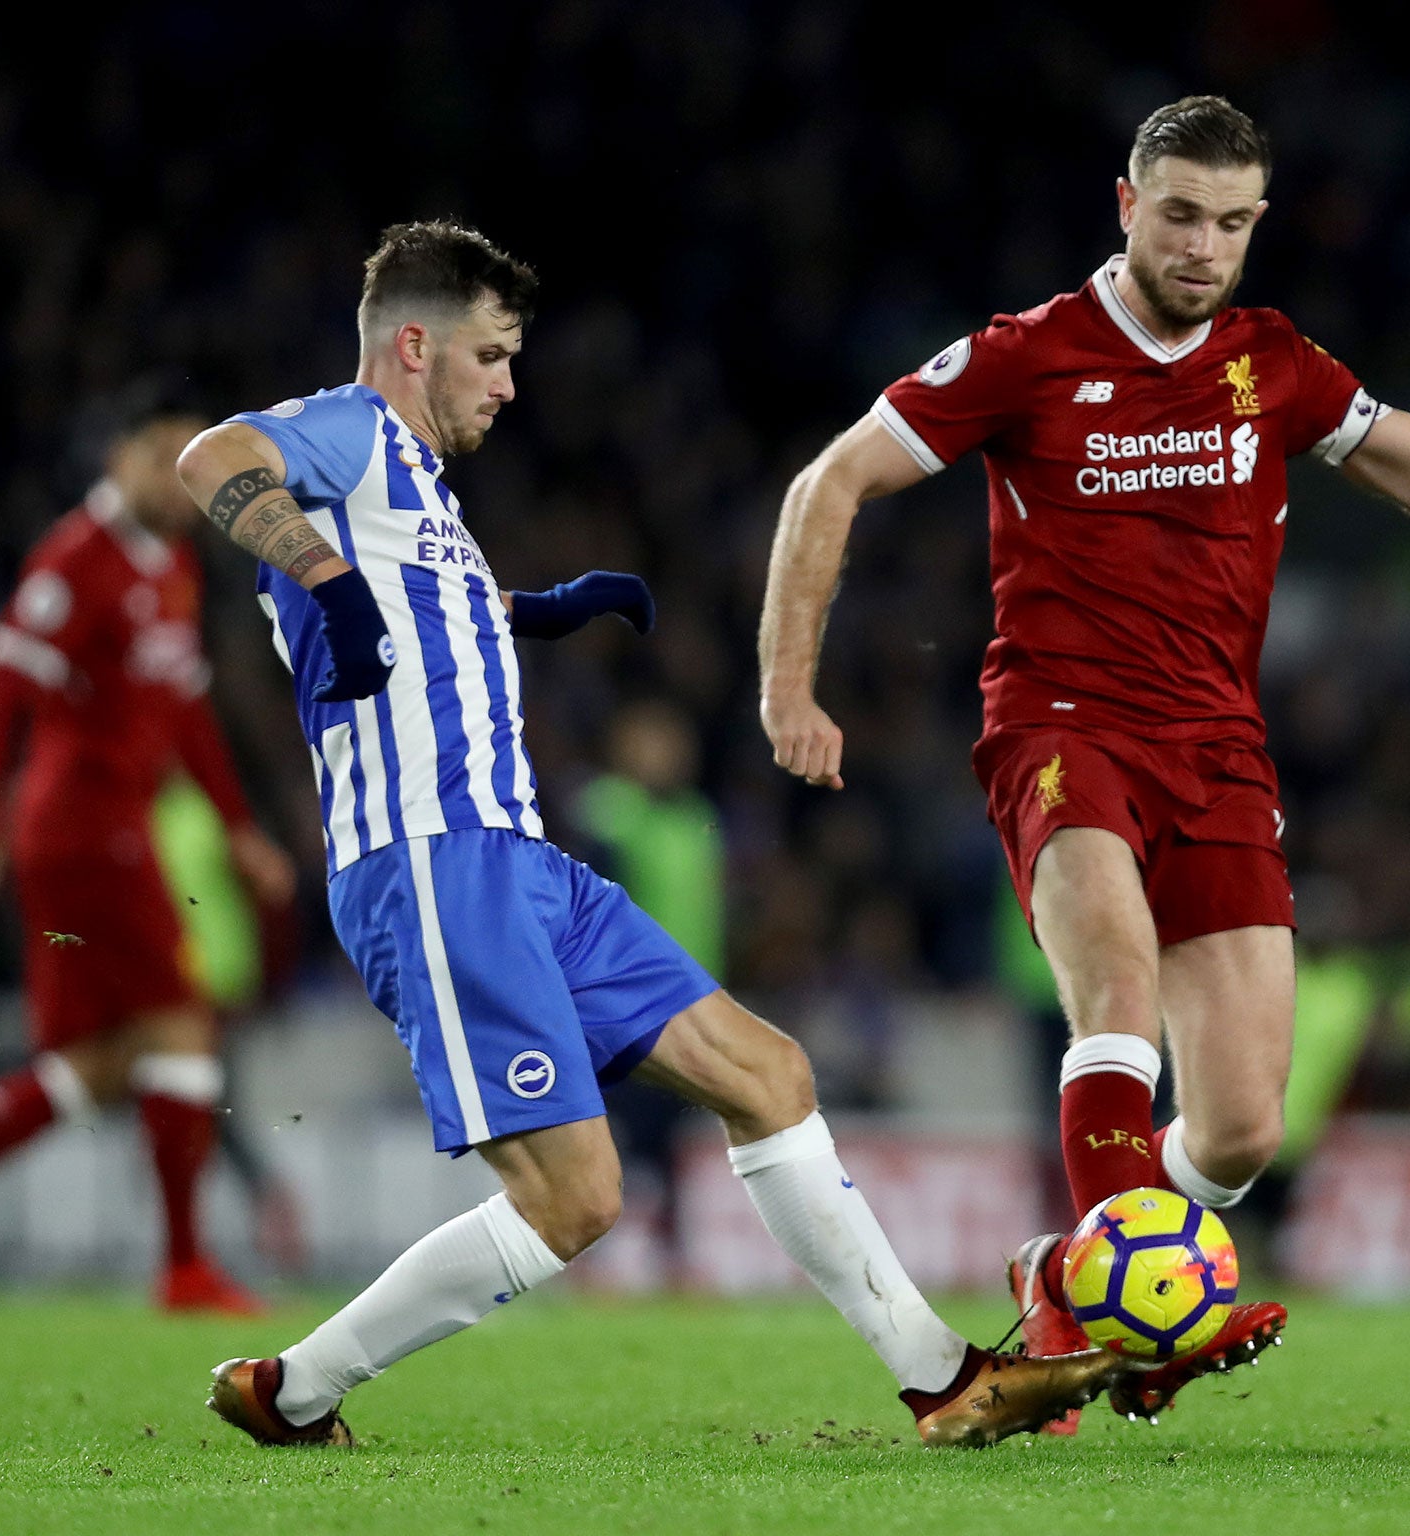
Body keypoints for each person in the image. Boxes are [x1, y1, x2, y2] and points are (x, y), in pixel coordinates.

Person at [757, 95, 1410, 1426]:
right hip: (1060, 729)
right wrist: (790, 684)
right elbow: (827, 482)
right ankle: (1145, 1324)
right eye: (1179, 214)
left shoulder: (1275, 362)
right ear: (1126, 204)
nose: (1202, 246)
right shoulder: (1029, 354)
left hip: (1219, 749)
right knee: (1113, 992)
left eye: (1231, 223)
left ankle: (1066, 1275)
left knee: (1238, 1132)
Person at [174, 219, 1125, 1451]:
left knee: (767, 1075)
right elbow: (212, 460)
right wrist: (329, 583)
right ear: (414, 345)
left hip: (519, 862)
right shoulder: (350, 432)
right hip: (432, 864)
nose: (509, 384)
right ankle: (291, 1390)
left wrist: (532, 609)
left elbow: (426, 611)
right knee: (574, 1199)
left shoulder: (416, 492)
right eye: (493, 355)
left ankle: (944, 1379)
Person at [0, 386, 299, 1316]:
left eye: (193, 457)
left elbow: (183, 708)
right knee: (181, 1029)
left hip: (105, 828)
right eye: (163, 453)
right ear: (119, 457)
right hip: (83, 829)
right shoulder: (77, 558)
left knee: (92, 1066)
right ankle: (182, 1269)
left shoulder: (171, 560)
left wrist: (238, 826)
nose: (180, 481)